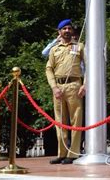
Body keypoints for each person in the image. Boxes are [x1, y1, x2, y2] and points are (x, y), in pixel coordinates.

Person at [45, 19, 85, 164]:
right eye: (64, 29)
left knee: (76, 120)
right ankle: (62, 153)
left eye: (69, 28)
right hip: (59, 87)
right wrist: (54, 87)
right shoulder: (54, 49)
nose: (67, 30)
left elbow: (88, 66)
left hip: (74, 86)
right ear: (59, 32)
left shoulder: (79, 46)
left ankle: (73, 153)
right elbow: (49, 69)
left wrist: (85, 85)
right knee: (60, 121)